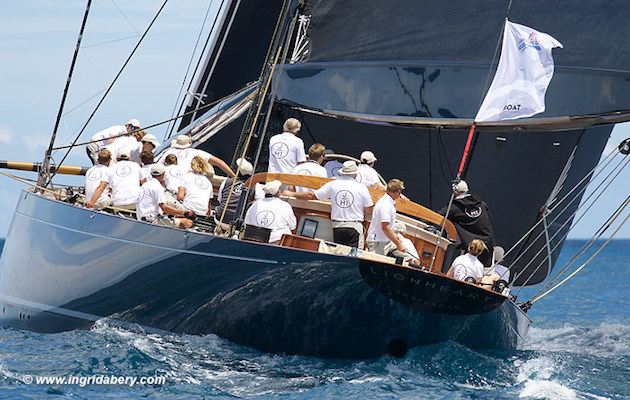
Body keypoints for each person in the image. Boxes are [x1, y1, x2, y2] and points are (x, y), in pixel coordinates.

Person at [286, 160, 373, 248]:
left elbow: (312, 195)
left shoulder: (333, 184)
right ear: (356, 174)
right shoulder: (362, 188)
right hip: (354, 226)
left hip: (337, 227)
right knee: (355, 254)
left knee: (338, 252)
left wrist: (292, 194)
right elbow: (369, 211)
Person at [438, 180, 495, 267]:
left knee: (465, 269)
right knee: (485, 272)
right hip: (487, 244)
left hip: (471, 247)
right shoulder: (482, 204)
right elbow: (489, 221)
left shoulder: (454, 208)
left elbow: (437, 217)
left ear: (455, 192)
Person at [136, 163, 193, 229]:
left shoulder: (146, 185)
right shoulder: (157, 187)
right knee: (186, 222)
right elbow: (164, 208)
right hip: (152, 220)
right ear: (163, 175)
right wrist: (183, 212)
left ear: (151, 174)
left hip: (142, 217)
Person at [215, 158, 263, 229]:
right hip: (240, 223)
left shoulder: (226, 182)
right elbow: (260, 204)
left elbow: (220, 200)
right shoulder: (256, 186)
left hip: (220, 219)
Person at [158, 135, 234, 178]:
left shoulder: (168, 152)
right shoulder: (195, 152)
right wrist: (234, 177)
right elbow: (218, 162)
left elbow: (158, 167)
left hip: (168, 179)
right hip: (187, 180)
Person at [366, 179, 408, 257]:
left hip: (387, 241)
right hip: (378, 242)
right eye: (399, 192)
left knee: (407, 258)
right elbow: (385, 228)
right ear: (398, 192)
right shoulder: (385, 205)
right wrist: (398, 244)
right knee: (376, 263)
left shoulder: (388, 203)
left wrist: (394, 235)